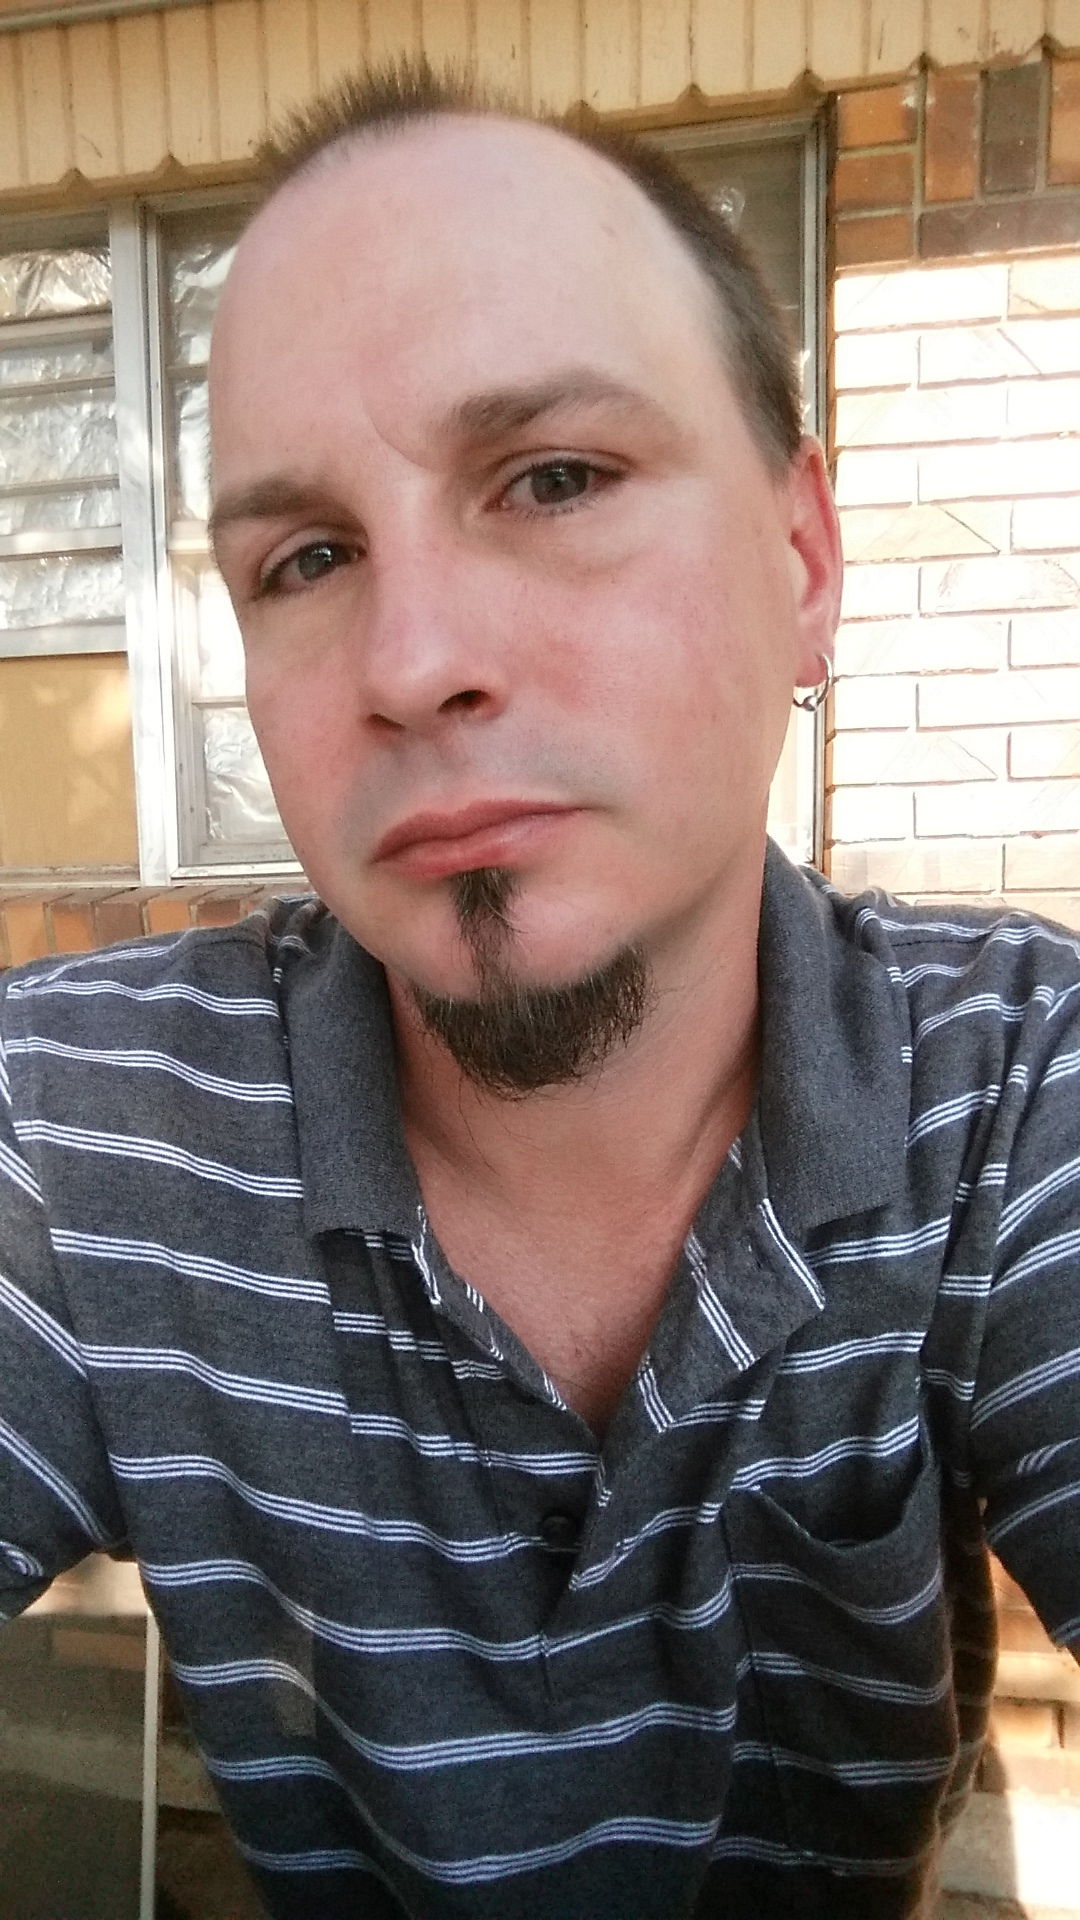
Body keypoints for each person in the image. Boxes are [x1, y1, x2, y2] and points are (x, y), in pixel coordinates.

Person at [1, 61, 1078, 1920]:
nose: (412, 660)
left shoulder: (1014, 1094)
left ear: (803, 562)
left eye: (556, 477)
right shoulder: (88, 1134)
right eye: (307, 558)